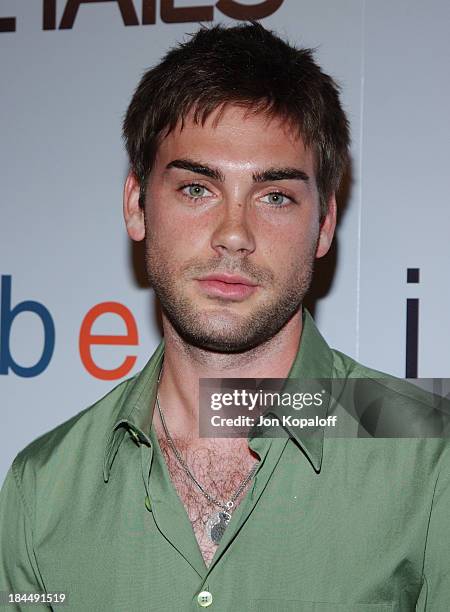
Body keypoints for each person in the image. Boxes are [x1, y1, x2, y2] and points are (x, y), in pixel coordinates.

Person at [1, 22, 449, 612]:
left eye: (275, 196)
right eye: (196, 189)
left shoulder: (429, 454)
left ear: (325, 225)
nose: (234, 235)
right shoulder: (43, 486)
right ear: (137, 207)